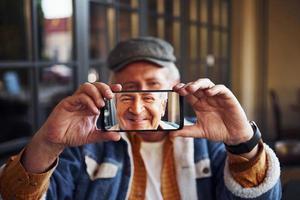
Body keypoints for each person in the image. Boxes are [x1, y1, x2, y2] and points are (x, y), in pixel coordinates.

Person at [0, 37, 281, 200]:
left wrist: (243, 143)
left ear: (175, 88)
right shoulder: (86, 145)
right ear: (112, 92)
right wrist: (47, 144)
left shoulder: (210, 143)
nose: (136, 106)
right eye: (128, 90)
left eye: (152, 89)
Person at [108, 91, 172, 131]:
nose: (137, 110)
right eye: (126, 99)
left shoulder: (179, 137)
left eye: (148, 98)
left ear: (163, 106)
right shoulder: (102, 139)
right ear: (116, 106)